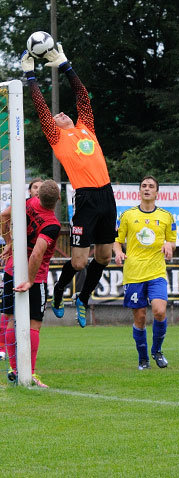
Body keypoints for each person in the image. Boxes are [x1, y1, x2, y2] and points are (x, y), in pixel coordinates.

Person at [21, 45, 117, 327]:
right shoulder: (57, 137)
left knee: (104, 256)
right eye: (56, 116)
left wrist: (66, 66)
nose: (60, 113)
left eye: (63, 113)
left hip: (107, 195)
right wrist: (31, 77)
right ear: (53, 125)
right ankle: (60, 290)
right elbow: (41, 107)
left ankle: (83, 299)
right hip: (86, 198)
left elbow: (82, 96)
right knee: (77, 263)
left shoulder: (86, 125)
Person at [0, 180, 61, 387]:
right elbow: (36, 254)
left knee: (10, 319)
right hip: (34, 277)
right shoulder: (52, 224)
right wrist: (30, 281)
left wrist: (8, 243)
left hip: (11, 269)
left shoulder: (26, 203)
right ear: (58, 199)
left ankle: (14, 369)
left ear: (38, 196)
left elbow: (3, 216)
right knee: (34, 325)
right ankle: (30, 374)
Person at [113, 176, 176, 370]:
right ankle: (143, 359)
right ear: (139, 191)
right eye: (144, 186)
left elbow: (172, 242)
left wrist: (168, 245)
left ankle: (157, 350)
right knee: (140, 317)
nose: (147, 189)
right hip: (134, 273)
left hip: (157, 272)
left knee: (159, 311)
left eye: (151, 186)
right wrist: (118, 252)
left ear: (157, 192)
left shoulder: (167, 216)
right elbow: (117, 239)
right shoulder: (127, 215)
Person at [0, 178, 43, 361]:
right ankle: (8, 354)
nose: (38, 190)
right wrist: (9, 242)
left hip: (23, 267)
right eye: (35, 187)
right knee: (14, 315)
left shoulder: (41, 211)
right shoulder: (24, 206)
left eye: (42, 188)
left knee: (13, 316)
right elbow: (3, 216)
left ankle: (15, 361)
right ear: (30, 191)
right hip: (24, 268)